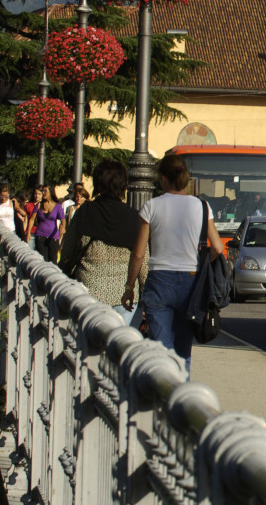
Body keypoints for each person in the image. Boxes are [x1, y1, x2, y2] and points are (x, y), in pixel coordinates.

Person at [124, 154, 223, 376]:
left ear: (162, 178)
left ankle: (162, 403)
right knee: (183, 352)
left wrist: (130, 287)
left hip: (160, 280)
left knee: (161, 351)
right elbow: (217, 247)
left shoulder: (151, 206)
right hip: (192, 282)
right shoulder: (202, 206)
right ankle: (180, 402)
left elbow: (139, 254)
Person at [59, 161, 147, 325]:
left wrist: (63, 271)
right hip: (124, 295)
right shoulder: (135, 218)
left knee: (89, 346)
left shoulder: (84, 212)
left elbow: (68, 251)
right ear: (123, 185)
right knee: (119, 346)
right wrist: (143, 291)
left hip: (89, 291)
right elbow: (142, 259)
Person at [31, 185, 65, 261]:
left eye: (45, 191)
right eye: (42, 191)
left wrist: (61, 231)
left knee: (53, 260)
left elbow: (63, 220)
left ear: (51, 192)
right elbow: (31, 219)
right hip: (40, 236)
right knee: (42, 260)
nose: (43, 193)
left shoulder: (58, 206)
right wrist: (27, 235)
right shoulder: (39, 205)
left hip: (53, 237)